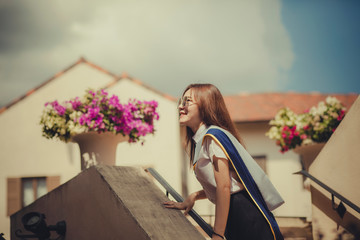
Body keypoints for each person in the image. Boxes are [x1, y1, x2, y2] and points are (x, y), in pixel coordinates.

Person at [163, 83, 284, 240]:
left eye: (187, 101)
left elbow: (225, 186)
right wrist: (193, 196)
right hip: (236, 214)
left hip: (244, 215)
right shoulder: (204, 139)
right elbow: (227, 183)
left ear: (206, 105)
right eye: (181, 101)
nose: (180, 106)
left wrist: (218, 233)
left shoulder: (213, 137)